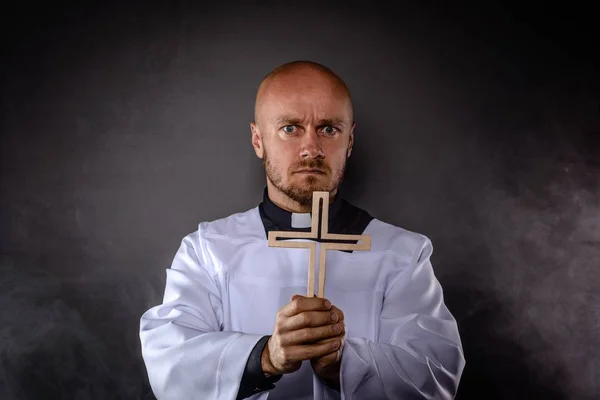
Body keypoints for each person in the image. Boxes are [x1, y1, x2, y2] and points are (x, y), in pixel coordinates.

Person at [139, 60, 466, 399]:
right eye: (290, 128)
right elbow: (170, 360)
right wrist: (265, 357)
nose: (312, 149)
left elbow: (435, 372)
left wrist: (343, 363)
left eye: (328, 129)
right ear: (257, 139)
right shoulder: (207, 249)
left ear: (350, 140)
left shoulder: (403, 254)